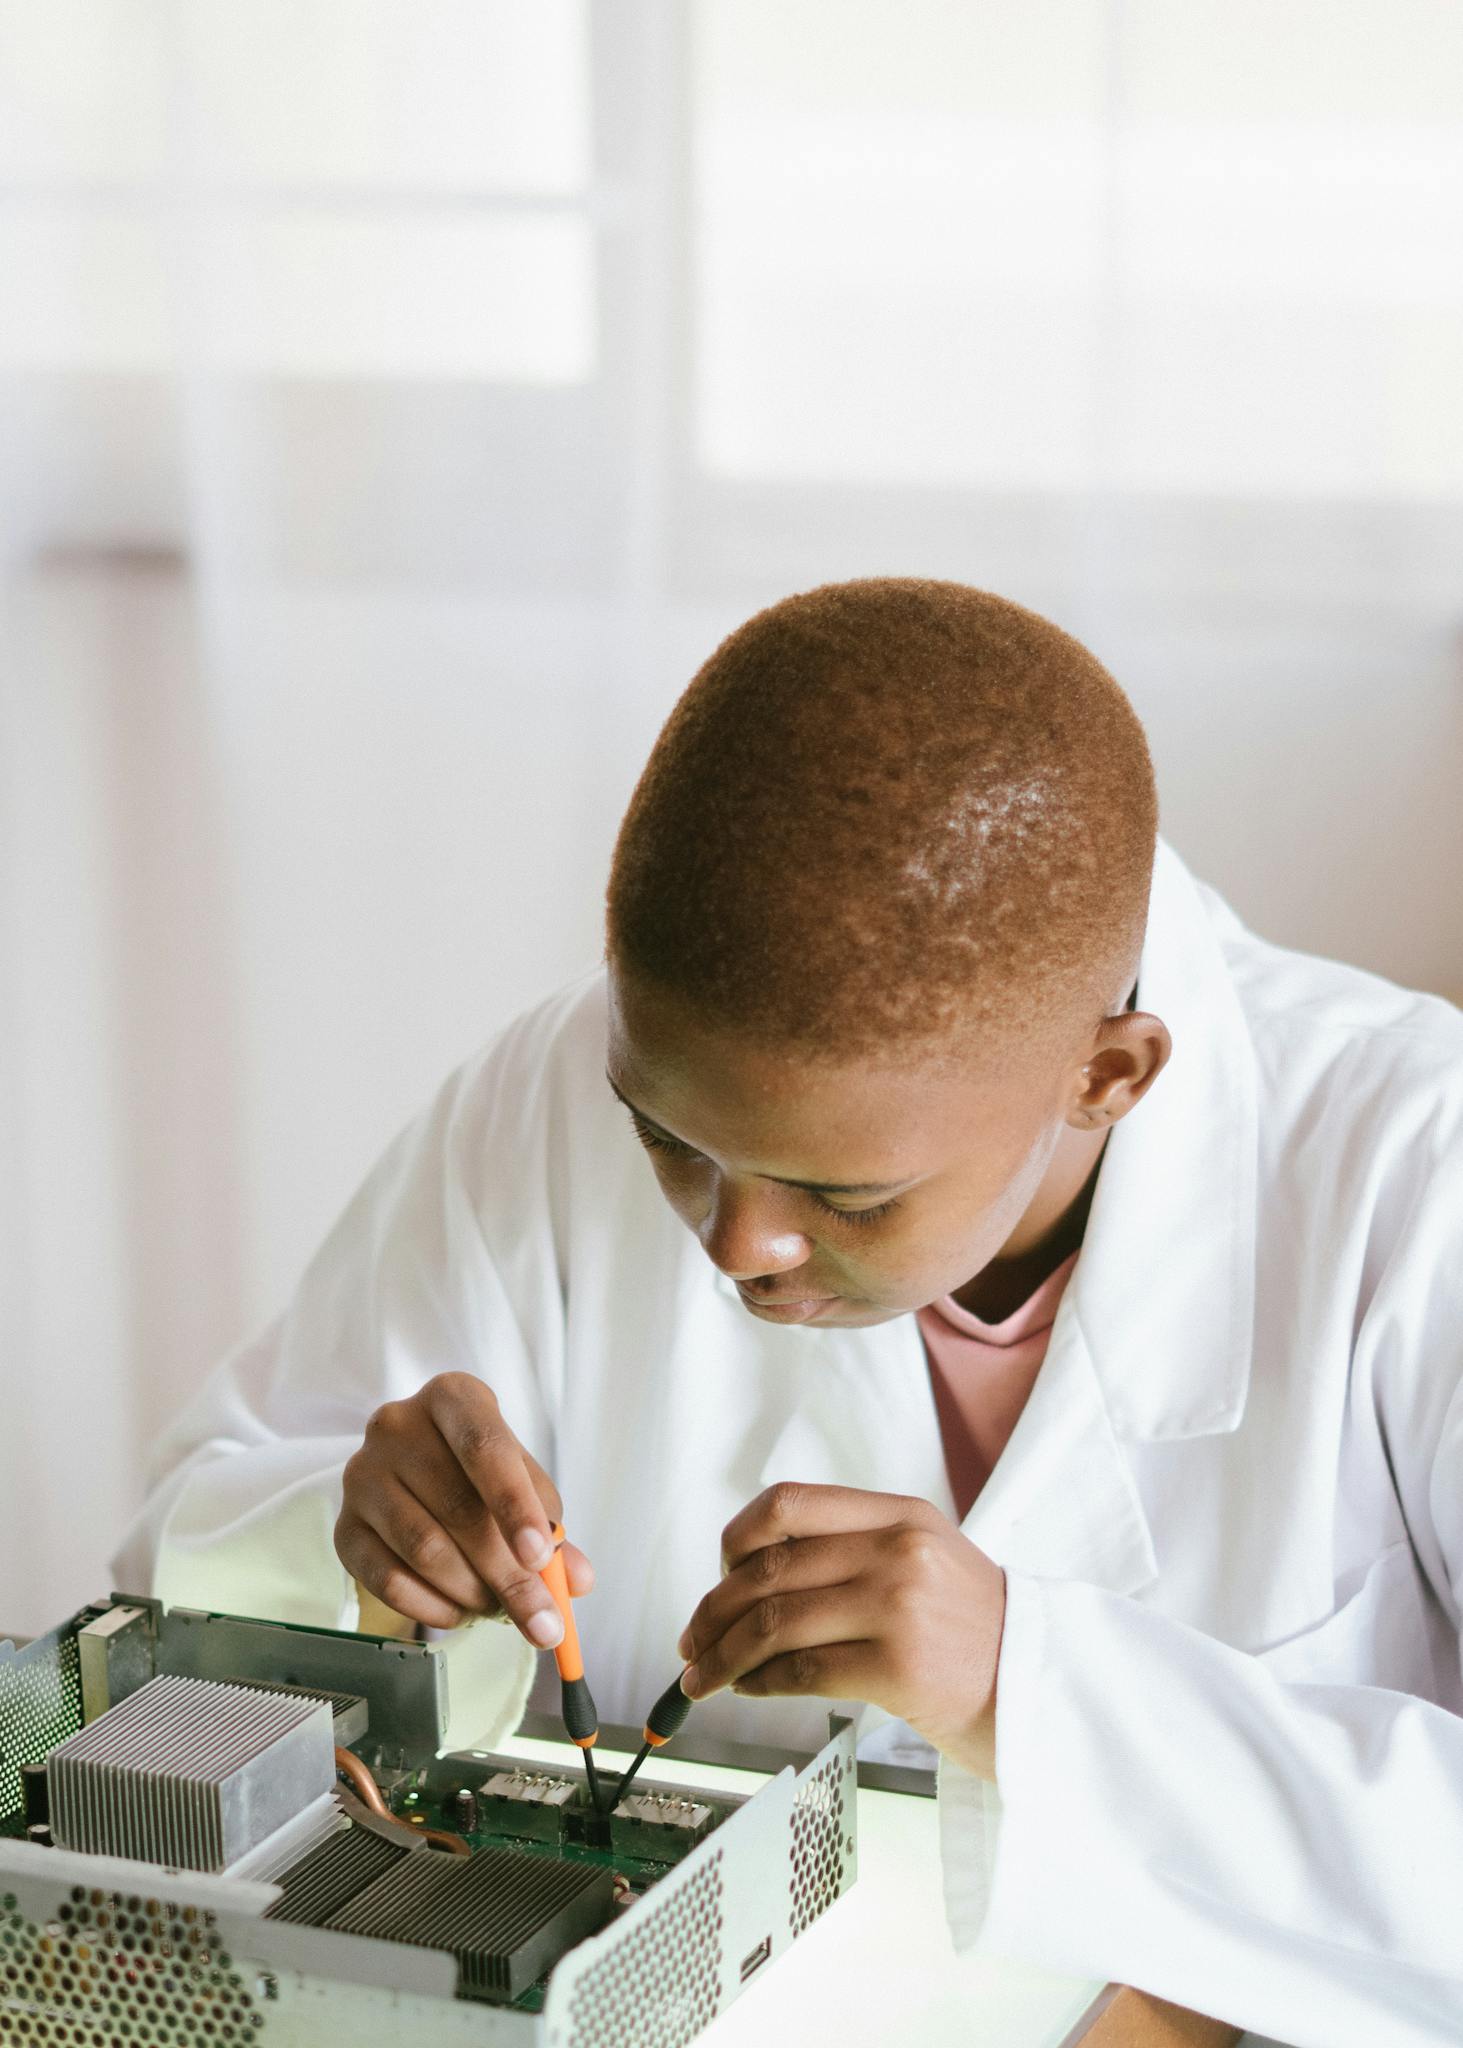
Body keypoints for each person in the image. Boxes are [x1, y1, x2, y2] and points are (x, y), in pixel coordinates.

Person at [116, 579, 1463, 2046]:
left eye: (849, 1195)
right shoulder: (558, 1087)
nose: (739, 1245)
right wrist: (355, 1534)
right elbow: (164, 1570)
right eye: (667, 1146)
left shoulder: (1413, 1172)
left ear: (1110, 1076)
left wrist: (1027, 1683)